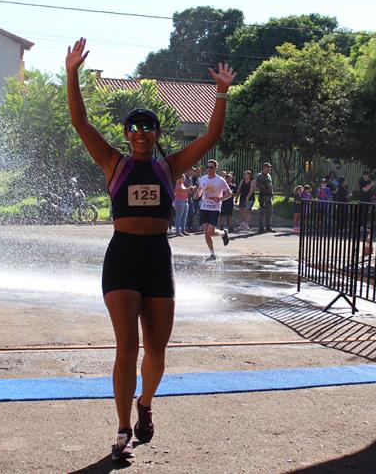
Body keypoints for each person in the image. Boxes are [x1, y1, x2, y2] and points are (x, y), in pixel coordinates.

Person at [66, 37, 236, 461]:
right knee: (127, 346)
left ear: (157, 134)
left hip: (158, 260)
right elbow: (82, 124)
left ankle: (145, 405)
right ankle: (122, 428)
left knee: (157, 351)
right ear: (127, 134)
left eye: (149, 128)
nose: (142, 134)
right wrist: (72, 75)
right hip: (122, 258)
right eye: (135, 128)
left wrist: (221, 92)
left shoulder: (169, 165)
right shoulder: (114, 163)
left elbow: (212, 134)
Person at [195, 159, 233, 260]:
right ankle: (212, 254)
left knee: (210, 231)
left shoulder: (220, 180)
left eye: (211, 167)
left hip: (215, 209)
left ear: (216, 168)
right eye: (207, 167)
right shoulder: (202, 179)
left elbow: (229, 193)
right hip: (204, 208)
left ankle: (223, 233)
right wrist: (196, 195)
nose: (209, 169)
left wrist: (220, 198)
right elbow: (200, 191)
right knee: (206, 232)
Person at [255, 163, 275, 233]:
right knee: (262, 212)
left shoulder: (269, 175)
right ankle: (261, 227)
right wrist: (267, 187)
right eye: (268, 167)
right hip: (263, 196)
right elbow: (258, 185)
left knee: (269, 212)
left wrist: (272, 193)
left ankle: (268, 226)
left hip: (269, 195)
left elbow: (270, 185)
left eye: (269, 167)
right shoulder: (260, 175)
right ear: (264, 167)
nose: (269, 169)